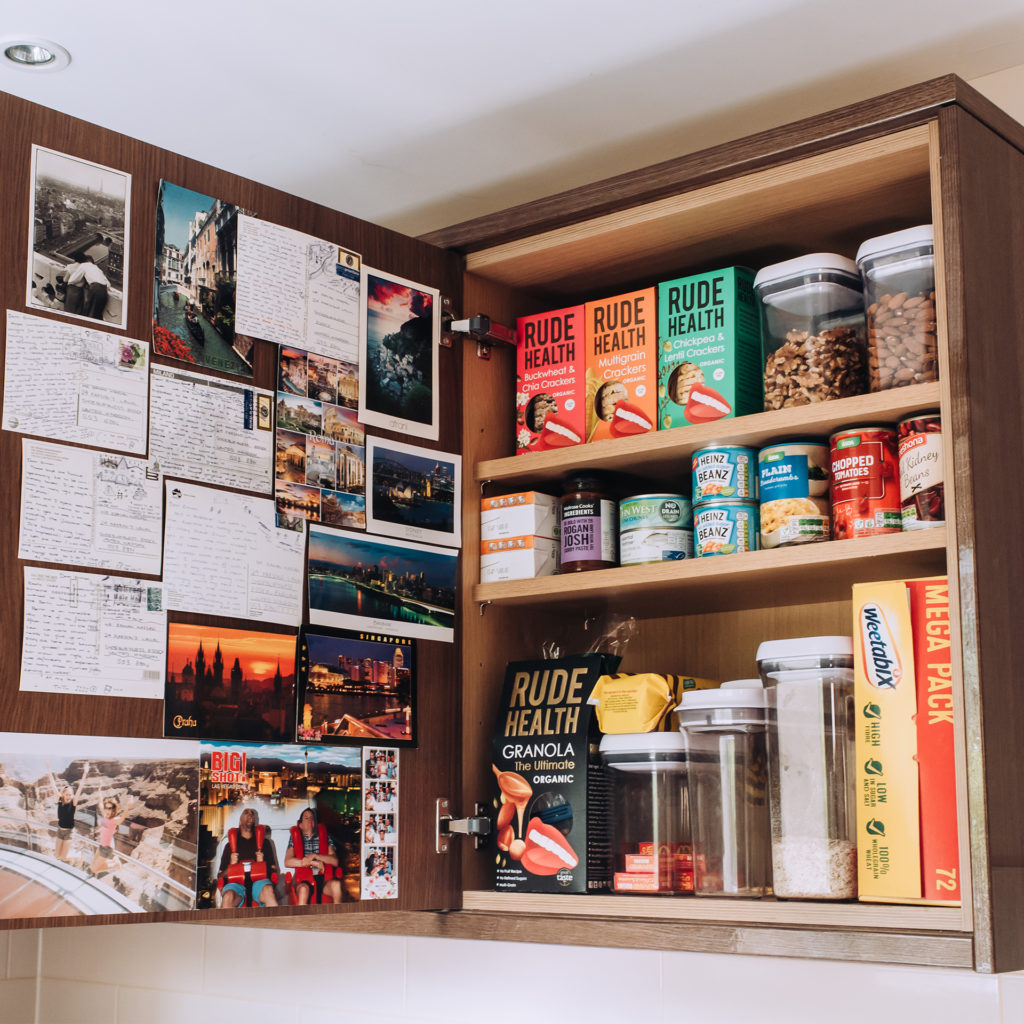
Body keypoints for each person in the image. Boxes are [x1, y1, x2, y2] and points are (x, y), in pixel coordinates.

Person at [217, 807, 279, 908]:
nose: (250, 814)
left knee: (268, 890)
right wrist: (231, 866)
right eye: (246, 812)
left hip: (259, 884)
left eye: (252, 813)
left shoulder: (265, 843)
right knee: (228, 896)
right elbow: (220, 876)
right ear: (240, 821)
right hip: (236, 885)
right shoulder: (230, 845)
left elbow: (274, 871)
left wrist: (262, 864)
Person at [285, 807, 341, 905]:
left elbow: (335, 861)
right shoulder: (296, 838)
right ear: (301, 825)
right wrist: (310, 861)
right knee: (303, 889)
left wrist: (316, 856)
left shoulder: (324, 836)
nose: (310, 819)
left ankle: (339, 918)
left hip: (323, 880)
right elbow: (288, 861)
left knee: (337, 885)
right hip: (304, 881)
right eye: (306, 818)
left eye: (312, 817)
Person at [47, 759, 89, 864]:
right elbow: (53, 785)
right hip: (60, 831)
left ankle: (76, 858)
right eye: (67, 794)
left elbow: (80, 788)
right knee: (57, 856)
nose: (69, 796)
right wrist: (49, 770)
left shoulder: (73, 802)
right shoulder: (60, 800)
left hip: (69, 833)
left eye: (70, 795)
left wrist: (85, 773)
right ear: (63, 794)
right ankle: (71, 859)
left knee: (63, 857)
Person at [90, 792, 125, 875]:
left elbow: (121, 819)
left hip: (107, 848)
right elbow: (100, 804)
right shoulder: (105, 815)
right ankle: (114, 862)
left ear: (113, 810)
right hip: (102, 845)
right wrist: (99, 794)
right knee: (93, 866)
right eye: (106, 808)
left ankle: (115, 864)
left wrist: (128, 807)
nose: (107, 810)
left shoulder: (114, 820)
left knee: (94, 869)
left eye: (110, 808)